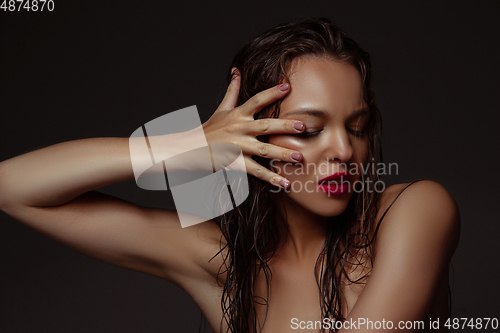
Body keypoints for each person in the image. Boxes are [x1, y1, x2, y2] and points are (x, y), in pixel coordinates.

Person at [0, 17, 460, 333]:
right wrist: (186, 146)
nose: (343, 150)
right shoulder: (229, 268)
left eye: (357, 128)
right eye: (309, 129)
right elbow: (13, 188)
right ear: (251, 133)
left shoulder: (413, 211)